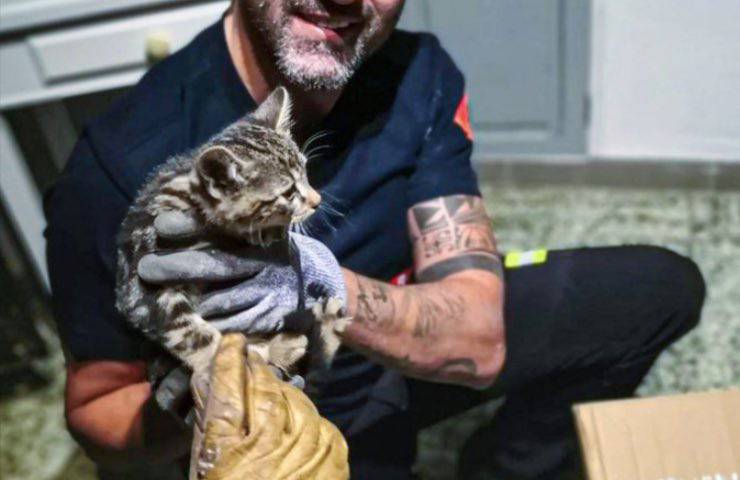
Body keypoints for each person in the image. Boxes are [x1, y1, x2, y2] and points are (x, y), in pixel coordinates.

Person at [44, 0, 706, 479]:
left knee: (658, 290)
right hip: (272, 424)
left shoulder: (418, 72)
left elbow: (478, 342)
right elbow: (98, 413)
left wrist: (313, 281)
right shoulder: (118, 169)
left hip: (389, 351)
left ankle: (508, 466)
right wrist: (204, 402)